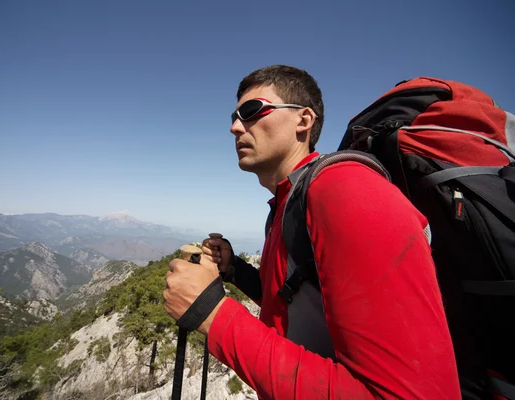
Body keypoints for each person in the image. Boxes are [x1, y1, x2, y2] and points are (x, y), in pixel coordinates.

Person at [163, 65, 461, 399]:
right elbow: (302, 306)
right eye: (234, 116)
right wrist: (236, 271)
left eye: (251, 112)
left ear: (303, 120)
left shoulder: (346, 190)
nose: (235, 127)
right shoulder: (288, 202)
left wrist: (211, 312)